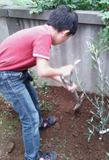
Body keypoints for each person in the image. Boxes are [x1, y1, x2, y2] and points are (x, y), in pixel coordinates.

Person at [0, 5, 78, 160]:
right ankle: (32, 157)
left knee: (33, 98)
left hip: (15, 72)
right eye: (67, 38)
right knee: (29, 118)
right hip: (7, 76)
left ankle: (39, 124)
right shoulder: (44, 37)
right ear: (65, 32)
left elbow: (44, 69)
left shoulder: (42, 31)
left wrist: (65, 83)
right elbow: (43, 71)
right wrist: (63, 70)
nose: (64, 40)